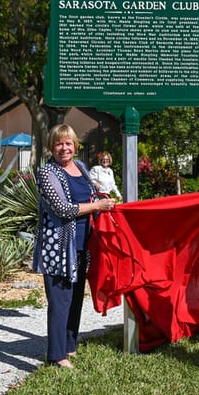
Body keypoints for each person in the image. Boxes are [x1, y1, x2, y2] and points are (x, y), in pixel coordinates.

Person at [33, 124, 116, 368]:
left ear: (75, 146)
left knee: (76, 296)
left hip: (82, 244)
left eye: (68, 143)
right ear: (52, 147)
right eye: (59, 144)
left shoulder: (80, 167)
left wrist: (102, 199)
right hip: (57, 246)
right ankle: (56, 355)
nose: (64, 148)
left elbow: (92, 193)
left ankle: (69, 345)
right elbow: (62, 209)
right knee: (60, 300)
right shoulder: (47, 173)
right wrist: (96, 208)